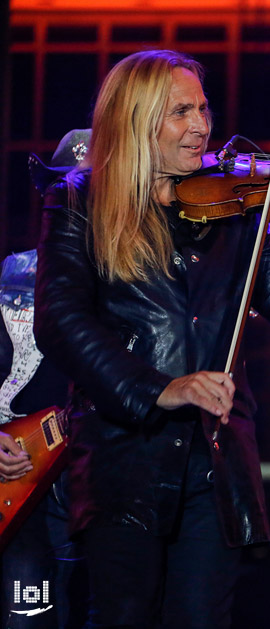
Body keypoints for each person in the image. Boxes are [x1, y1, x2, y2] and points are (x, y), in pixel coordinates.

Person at [33, 49, 270, 627]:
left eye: (203, 108)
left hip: (217, 464)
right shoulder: (77, 199)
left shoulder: (235, 203)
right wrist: (161, 389)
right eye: (180, 112)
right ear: (136, 119)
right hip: (124, 462)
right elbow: (60, 321)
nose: (201, 126)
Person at [0, 129, 90, 628]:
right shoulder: (12, 275)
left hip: (104, 485)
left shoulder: (145, 281)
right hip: (25, 477)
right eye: (69, 189)